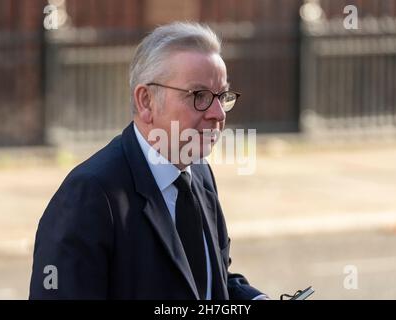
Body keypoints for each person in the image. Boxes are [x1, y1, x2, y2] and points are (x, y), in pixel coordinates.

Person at [29, 22, 268, 300]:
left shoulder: (199, 173)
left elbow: (210, 284)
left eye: (222, 96)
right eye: (199, 96)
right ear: (146, 102)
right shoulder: (90, 194)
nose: (217, 113)